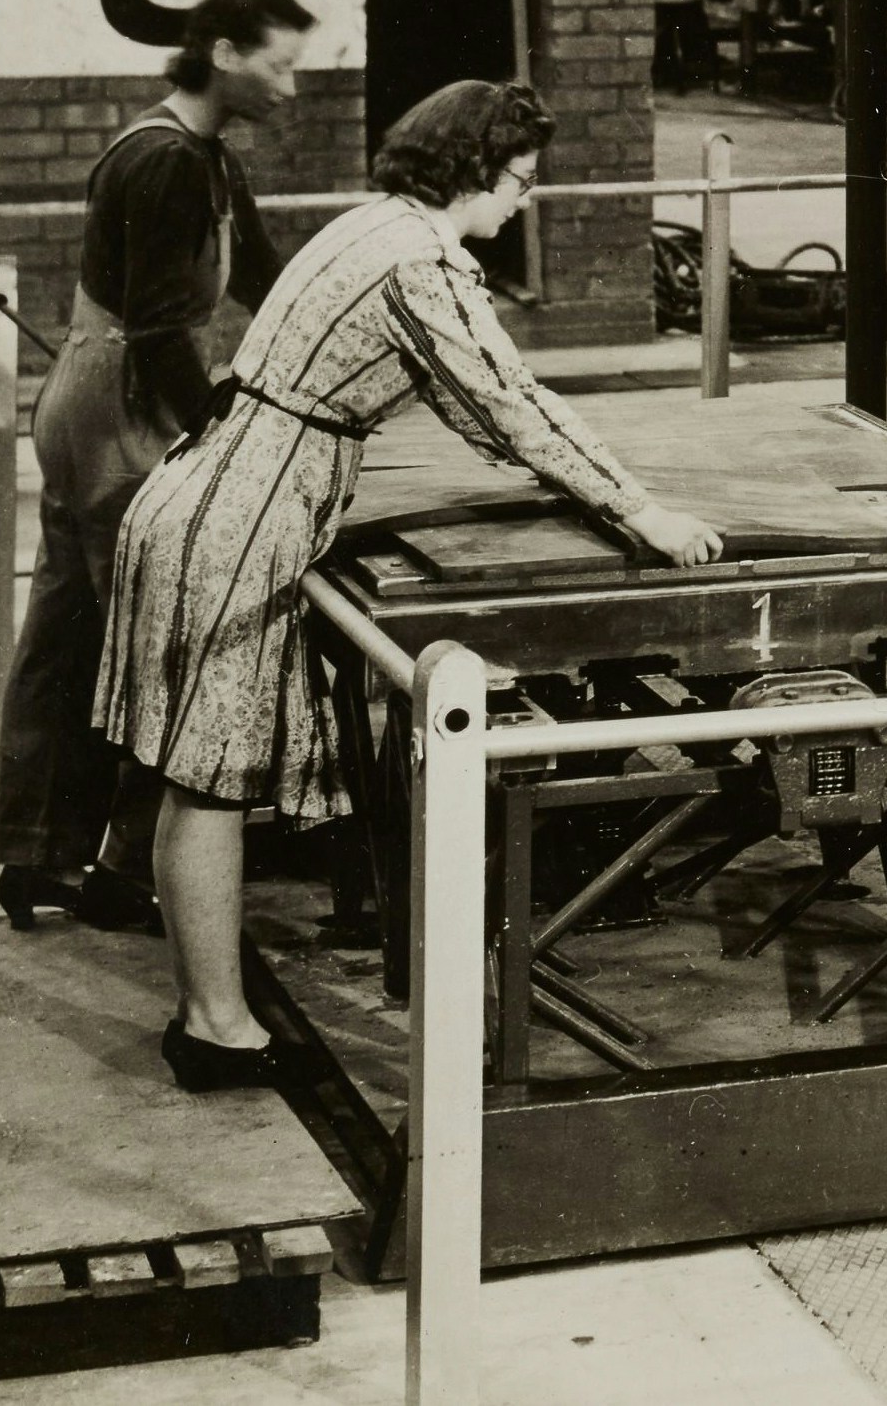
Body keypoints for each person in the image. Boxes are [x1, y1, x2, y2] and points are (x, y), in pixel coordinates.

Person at [96, 80, 722, 1090]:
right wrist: (638, 510)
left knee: (192, 776)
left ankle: (208, 1011)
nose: (522, 201)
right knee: (209, 779)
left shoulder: (369, 224)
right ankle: (215, 1027)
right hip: (240, 515)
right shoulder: (421, 261)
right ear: (470, 170)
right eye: (518, 181)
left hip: (208, 487)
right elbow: (508, 405)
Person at [0, 0, 317, 935]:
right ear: (222, 52)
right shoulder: (167, 162)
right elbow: (166, 332)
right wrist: (224, 437)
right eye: (279, 65)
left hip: (95, 402)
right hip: (120, 410)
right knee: (158, 644)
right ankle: (130, 867)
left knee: (69, 634)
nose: (290, 90)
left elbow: (266, 274)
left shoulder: (203, 155)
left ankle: (35, 852)